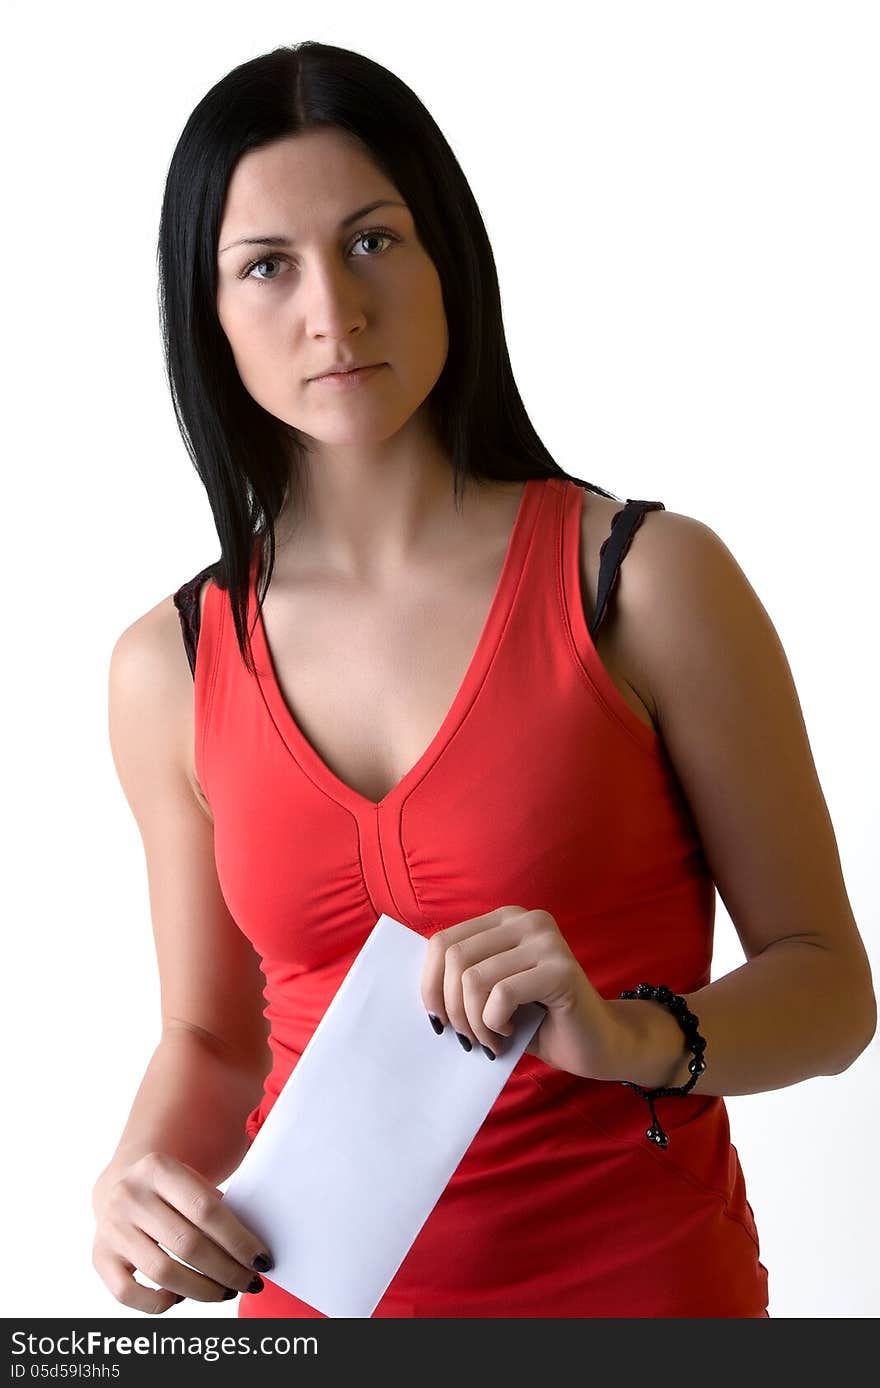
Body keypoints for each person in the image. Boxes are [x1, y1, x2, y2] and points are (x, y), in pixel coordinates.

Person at [91, 41, 876, 1320]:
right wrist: (137, 1180)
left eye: (373, 241)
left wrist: (632, 1037)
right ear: (207, 308)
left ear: (448, 252)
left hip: (644, 1303)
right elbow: (216, 1041)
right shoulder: (166, 665)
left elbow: (831, 987)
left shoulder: (644, 582)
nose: (332, 313)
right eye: (265, 266)